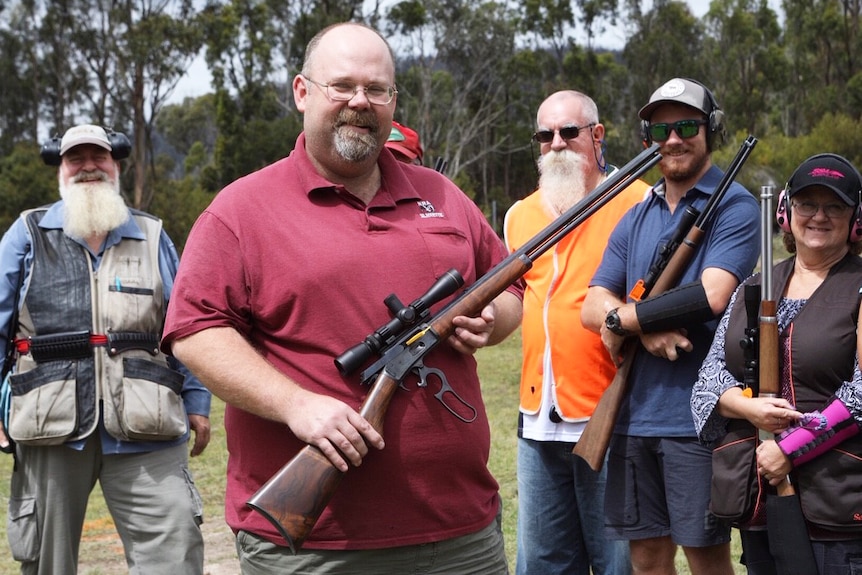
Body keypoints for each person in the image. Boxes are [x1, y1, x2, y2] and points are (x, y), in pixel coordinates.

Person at [161, 22, 523, 574]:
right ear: (302, 92)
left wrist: (492, 318)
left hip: (461, 534)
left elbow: (510, 283)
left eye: (376, 89)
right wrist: (296, 405)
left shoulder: (440, 194)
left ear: (393, 102)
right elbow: (193, 331)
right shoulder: (241, 209)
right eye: (342, 86)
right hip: (315, 547)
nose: (360, 101)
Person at [0, 123, 211, 575]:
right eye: (76, 159)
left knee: (176, 549)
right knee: (45, 562)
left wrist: (197, 400)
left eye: (99, 158)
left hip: (147, 424)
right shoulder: (27, 234)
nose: (88, 167)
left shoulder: (153, 235)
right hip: (48, 425)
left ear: (115, 165)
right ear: (60, 168)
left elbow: (185, 326)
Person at [581, 77, 761, 575]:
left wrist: (626, 320)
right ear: (647, 139)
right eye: (661, 130)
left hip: (698, 420)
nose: (674, 139)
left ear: (710, 130)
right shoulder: (636, 215)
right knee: (647, 561)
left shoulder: (735, 206)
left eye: (686, 125)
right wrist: (641, 326)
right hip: (633, 417)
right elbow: (592, 303)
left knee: (706, 559)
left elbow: (712, 293)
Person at [692, 153, 862, 575]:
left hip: (836, 505)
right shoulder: (756, 285)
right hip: (757, 495)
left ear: (855, 218)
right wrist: (746, 407)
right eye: (807, 204)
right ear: (787, 212)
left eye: (834, 206)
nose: (818, 216)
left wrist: (789, 448)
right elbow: (707, 379)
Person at [503, 89, 648, 575]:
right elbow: (518, 298)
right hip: (536, 419)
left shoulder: (638, 201)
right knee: (543, 562)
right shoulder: (519, 215)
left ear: (597, 135)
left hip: (611, 413)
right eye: (546, 135)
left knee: (617, 561)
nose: (557, 144)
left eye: (569, 132)